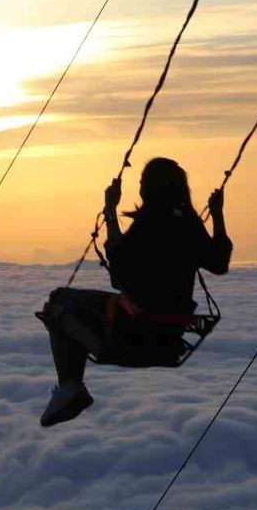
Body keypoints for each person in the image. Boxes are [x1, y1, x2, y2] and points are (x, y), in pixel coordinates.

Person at [39, 157, 232, 427]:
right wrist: (218, 214)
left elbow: (120, 274)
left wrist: (110, 211)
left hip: (137, 330)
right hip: (170, 333)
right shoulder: (187, 221)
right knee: (68, 301)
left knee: (58, 303)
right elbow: (219, 262)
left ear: (152, 188)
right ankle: (71, 388)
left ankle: (71, 386)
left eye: (142, 183)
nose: (139, 188)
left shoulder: (149, 223)